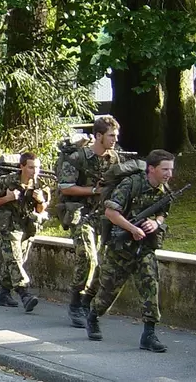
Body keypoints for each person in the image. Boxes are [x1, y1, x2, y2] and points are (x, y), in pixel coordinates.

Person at [87, 149, 175, 353]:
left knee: (150, 285)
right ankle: (92, 316)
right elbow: (110, 212)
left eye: (171, 169)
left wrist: (156, 223)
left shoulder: (164, 190)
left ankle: (149, 334)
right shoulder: (131, 185)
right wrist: (132, 228)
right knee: (107, 292)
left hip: (144, 248)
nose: (169, 174)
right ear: (151, 169)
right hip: (121, 248)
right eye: (165, 169)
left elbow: (163, 213)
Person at [57, 116, 121, 327]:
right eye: (111, 135)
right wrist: (94, 190)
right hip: (81, 213)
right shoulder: (78, 157)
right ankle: (75, 303)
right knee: (87, 256)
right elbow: (65, 187)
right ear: (99, 136)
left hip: (104, 215)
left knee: (105, 261)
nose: (114, 139)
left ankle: (87, 301)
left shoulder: (114, 159)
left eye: (116, 135)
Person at [0, 152, 49, 312]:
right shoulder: (6, 181)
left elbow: (41, 210)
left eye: (37, 167)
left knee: (18, 261)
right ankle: (24, 294)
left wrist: (40, 200)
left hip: (26, 227)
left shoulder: (39, 184)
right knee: (14, 259)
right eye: (30, 167)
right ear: (22, 167)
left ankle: (4, 292)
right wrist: (7, 198)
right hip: (8, 226)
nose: (34, 171)